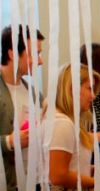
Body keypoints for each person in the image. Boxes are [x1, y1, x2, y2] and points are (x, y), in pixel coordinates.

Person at [46, 64, 100, 191]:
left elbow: (70, 166)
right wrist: (95, 182)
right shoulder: (62, 123)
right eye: (90, 88)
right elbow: (57, 176)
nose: (93, 96)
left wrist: (91, 170)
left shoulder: (66, 120)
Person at [0, 25, 45, 191]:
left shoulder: (33, 94)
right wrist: (9, 141)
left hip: (35, 182)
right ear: (12, 54)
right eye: (35, 54)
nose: (41, 61)